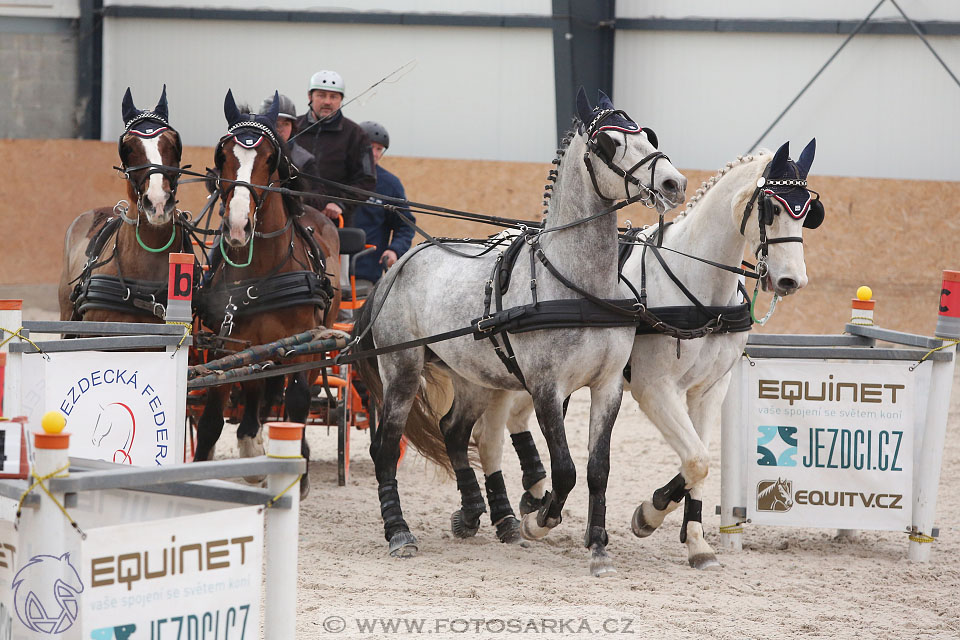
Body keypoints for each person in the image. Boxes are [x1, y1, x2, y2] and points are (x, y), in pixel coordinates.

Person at [294, 70, 376, 226]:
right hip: (292, 216)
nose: (327, 102)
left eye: (333, 97)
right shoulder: (292, 128)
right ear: (310, 97)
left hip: (333, 222)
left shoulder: (356, 135)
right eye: (321, 95)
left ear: (341, 100)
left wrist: (340, 204)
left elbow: (367, 180)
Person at [352, 121, 415, 286]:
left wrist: (394, 250)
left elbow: (405, 226)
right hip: (328, 270)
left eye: (379, 149)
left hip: (365, 275)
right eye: (369, 146)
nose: (373, 153)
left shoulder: (390, 184)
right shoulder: (336, 176)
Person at [258, 93, 323, 210]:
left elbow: (318, 197)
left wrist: (296, 196)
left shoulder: (305, 159)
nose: (280, 130)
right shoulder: (248, 152)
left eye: (286, 124)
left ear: (293, 127)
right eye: (275, 123)